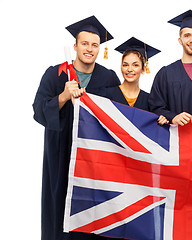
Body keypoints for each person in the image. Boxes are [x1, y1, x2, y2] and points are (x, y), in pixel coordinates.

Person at [32, 16, 121, 240]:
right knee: (61, 207)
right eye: (84, 43)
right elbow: (38, 110)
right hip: (61, 155)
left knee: (95, 210)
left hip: (95, 160)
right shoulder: (56, 74)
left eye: (94, 45)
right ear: (75, 46)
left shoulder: (108, 77)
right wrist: (63, 96)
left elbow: (120, 116)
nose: (89, 49)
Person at [103, 37, 168, 125]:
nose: (129, 69)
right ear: (121, 67)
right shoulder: (107, 95)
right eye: (125, 65)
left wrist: (162, 120)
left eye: (135, 65)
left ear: (143, 69)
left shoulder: (149, 100)